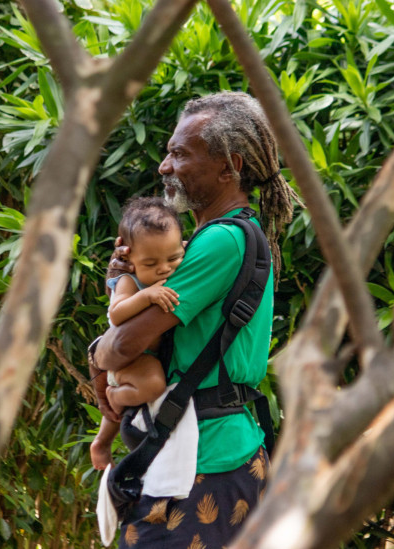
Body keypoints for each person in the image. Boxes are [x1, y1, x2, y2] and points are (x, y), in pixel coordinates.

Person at [90, 91, 296, 548]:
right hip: (203, 452)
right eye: (168, 152)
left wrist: (100, 352)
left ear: (230, 166)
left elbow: (123, 346)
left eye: (180, 153)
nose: (165, 166)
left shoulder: (220, 242)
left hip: (208, 461)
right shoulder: (212, 238)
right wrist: (119, 281)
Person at [90, 197, 184, 471]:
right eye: (151, 263)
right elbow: (117, 314)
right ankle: (114, 397)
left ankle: (101, 442)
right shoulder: (130, 280)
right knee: (152, 385)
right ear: (128, 258)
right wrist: (147, 295)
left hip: (147, 354)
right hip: (130, 358)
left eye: (173, 258)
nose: (164, 269)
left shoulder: (175, 263)